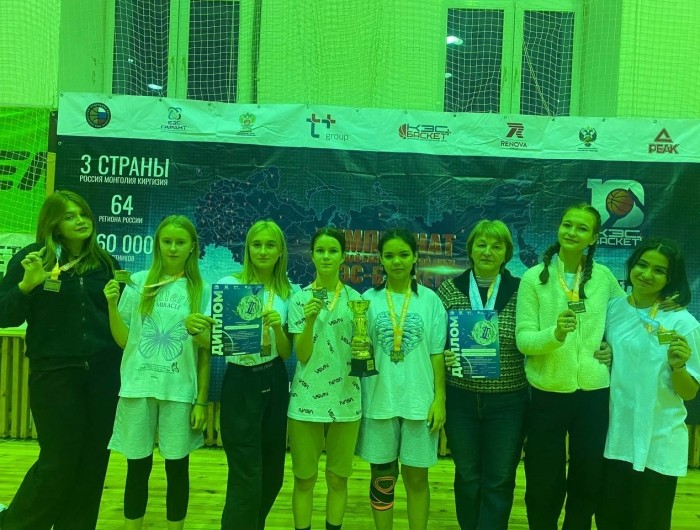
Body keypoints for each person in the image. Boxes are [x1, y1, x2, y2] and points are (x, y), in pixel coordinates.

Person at [0, 190, 121, 530]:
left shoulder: (106, 263)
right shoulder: (33, 259)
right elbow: (4, 314)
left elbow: (121, 320)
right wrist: (26, 286)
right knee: (58, 460)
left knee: (94, 460)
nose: (80, 220)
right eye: (69, 216)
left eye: (83, 213)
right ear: (53, 223)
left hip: (103, 376)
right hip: (54, 374)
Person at [515, 202, 625, 530]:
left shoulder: (603, 277)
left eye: (582, 228)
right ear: (559, 228)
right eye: (567, 224)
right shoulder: (534, 278)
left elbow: (626, 320)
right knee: (543, 479)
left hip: (593, 394)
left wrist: (613, 348)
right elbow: (524, 340)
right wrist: (556, 335)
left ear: (594, 238)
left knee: (588, 477)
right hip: (547, 392)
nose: (572, 232)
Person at [103, 215, 214, 530]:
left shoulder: (202, 289)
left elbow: (207, 349)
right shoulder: (139, 282)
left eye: (180, 242)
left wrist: (201, 400)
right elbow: (125, 340)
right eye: (167, 241)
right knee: (137, 468)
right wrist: (111, 305)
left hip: (179, 390)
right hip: (138, 386)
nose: (173, 248)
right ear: (158, 245)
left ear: (192, 246)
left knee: (177, 469)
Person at [596, 238, 699, 530]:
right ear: (631, 266)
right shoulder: (612, 309)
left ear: (670, 278)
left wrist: (678, 366)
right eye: (642, 265)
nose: (646, 274)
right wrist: (605, 351)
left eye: (659, 270)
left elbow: (689, 392)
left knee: (649, 522)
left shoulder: (683, 323)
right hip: (615, 437)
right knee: (609, 521)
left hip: (658, 440)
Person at [437, 220, 528, 530]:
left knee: (499, 478)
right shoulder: (450, 289)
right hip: (460, 399)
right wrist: (446, 353)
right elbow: (437, 341)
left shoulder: (522, 291)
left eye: (496, 246)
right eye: (481, 244)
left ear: (506, 253)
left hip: (508, 402)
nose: (488, 251)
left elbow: (531, 337)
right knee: (467, 475)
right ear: (471, 250)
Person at [355, 228, 447, 530]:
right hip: (379, 400)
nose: (397, 261)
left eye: (404, 254)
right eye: (390, 255)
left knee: (417, 478)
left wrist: (440, 400)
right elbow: (361, 353)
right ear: (380, 259)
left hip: (420, 402)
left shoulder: (431, 301)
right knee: (382, 478)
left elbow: (437, 355)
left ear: (415, 257)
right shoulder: (367, 300)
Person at [216, 220, 293, 530]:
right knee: (246, 476)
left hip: (274, 378)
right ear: (247, 249)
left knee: (272, 475)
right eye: (257, 244)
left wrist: (277, 328)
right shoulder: (229, 285)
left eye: (270, 245)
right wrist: (196, 329)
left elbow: (286, 352)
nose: (263, 251)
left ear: (280, 251)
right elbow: (212, 341)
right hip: (240, 380)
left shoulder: (288, 292)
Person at [287, 227, 363, 530]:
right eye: (320, 250)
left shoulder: (357, 301)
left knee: (338, 479)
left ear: (343, 256)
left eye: (333, 251)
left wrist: (362, 348)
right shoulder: (299, 299)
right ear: (312, 255)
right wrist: (309, 321)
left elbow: (362, 354)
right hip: (305, 401)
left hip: (346, 401)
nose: (326, 256)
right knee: (304, 480)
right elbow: (302, 355)